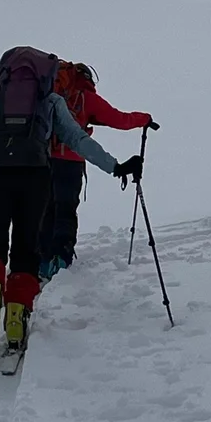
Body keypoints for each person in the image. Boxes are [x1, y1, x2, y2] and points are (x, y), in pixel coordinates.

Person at [0, 47, 142, 352]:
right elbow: (78, 139)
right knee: (25, 251)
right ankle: (17, 317)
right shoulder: (51, 102)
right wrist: (115, 166)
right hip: (35, 176)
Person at [39, 61, 156, 279]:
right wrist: (144, 119)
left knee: (46, 209)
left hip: (43, 159)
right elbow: (119, 119)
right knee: (65, 209)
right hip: (71, 161)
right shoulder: (86, 99)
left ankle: (42, 260)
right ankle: (61, 258)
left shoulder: (50, 94)